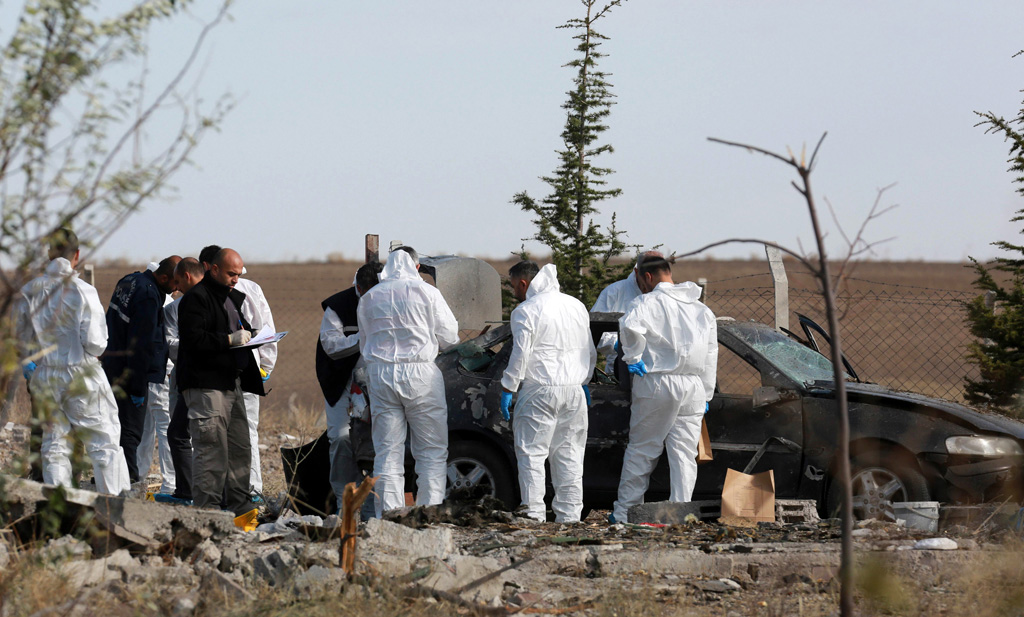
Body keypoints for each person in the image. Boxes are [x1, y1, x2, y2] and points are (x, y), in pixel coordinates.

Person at [15, 228, 131, 495]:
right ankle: (114, 509)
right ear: (76, 255)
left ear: (48, 253)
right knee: (103, 443)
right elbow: (96, 343)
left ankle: (59, 509)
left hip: (45, 375)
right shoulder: (83, 291)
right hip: (81, 373)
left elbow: (22, 341)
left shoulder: (28, 291)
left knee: (54, 446)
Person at [611, 256, 718, 524]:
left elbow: (629, 326)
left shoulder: (646, 303)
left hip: (656, 381)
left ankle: (625, 514)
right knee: (684, 455)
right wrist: (706, 393)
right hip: (693, 385)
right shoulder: (702, 310)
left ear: (647, 277)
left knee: (642, 450)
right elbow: (711, 354)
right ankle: (679, 515)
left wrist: (633, 358)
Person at [357, 246, 458, 517]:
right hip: (421, 375)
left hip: (380, 375)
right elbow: (450, 335)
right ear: (416, 267)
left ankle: (388, 518)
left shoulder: (369, 297)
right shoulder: (427, 292)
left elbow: (363, 342)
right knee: (431, 450)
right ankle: (428, 514)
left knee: (387, 452)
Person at [500, 261, 596, 523]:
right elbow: (589, 349)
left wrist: (509, 386)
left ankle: (533, 516)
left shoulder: (526, 311)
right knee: (570, 456)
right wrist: (584, 380)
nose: (515, 293)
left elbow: (520, 353)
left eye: (513, 287)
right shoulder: (576, 305)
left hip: (539, 390)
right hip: (574, 392)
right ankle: (570, 518)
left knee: (532, 455)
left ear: (524, 283)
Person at [176, 248, 265, 514]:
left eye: (238, 274)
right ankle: (208, 517)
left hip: (232, 383)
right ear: (212, 269)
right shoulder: (196, 299)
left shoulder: (231, 298)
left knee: (240, 450)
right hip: (206, 387)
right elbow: (193, 340)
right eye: (230, 273)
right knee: (211, 453)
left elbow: (240, 329)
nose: (236, 279)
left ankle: (242, 513)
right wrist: (228, 340)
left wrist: (253, 335)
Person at [198, 244, 277, 501]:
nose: (235, 278)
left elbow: (266, 331)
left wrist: (265, 366)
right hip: (218, 374)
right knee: (219, 434)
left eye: (238, 273)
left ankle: (249, 491)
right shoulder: (203, 295)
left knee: (243, 433)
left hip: (243, 368)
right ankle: (236, 493)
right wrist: (266, 364)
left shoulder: (248, 290)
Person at [102, 255, 179, 483]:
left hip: (112, 363)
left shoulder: (130, 280)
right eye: (174, 284)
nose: (176, 290)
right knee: (131, 431)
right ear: (164, 277)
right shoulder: (148, 296)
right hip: (129, 372)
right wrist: (137, 386)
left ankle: (106, 477)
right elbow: (141, 344)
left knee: (112, 425)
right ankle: (127, 482)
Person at [317, 261, 382, 516]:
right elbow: (331, 345)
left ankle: (375, 506)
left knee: (381, 441)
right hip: (342, 382)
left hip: (379, 382)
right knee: (342, 439)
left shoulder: (388, 296)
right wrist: (363, 336)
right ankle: (347, 506)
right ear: (358, 287)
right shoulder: (338, 306)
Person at [157, 257, 205, 504]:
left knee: (195, 435)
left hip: (202, 378)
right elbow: (171, 343)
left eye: (177, 282)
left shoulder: (211, 301)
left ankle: (199, 493)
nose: (174, 288)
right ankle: (188, 491)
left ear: (187, 276)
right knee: (179, 433)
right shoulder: (173, 309)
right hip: (184, 375)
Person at [138, 263, 177, 494]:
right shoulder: (165, 302)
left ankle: (139, 478)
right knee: (164, 427)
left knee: (146, 428)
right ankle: (171, 485)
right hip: (162, 373)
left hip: (150, 371)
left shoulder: (148, 296)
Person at [591, 251, 663, 372]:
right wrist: (619, 345)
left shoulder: (665, 297)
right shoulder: (614, 292)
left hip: (659, 370)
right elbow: (595, 331)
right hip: (619, 368)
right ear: (636, 272)